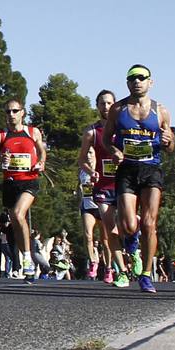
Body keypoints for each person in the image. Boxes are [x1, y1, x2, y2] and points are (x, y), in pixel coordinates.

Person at [107, 64, 175, 293]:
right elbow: (106, 140)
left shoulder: (161, 110)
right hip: (126, 170)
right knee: (128, 224)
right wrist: (114, 151)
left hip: (151, 169)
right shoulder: (118, 110)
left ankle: (146, 275)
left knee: (149, 223)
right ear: (127, 83)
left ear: (150, 82)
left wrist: (168, 141)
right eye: (132, 78)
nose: (137, 81)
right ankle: (132, 241)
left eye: (141, 78)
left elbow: (171, 145)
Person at [0, 99, 47, 281]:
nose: (11, 115)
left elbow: (42, 151)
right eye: (8, 112)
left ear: (23, 112)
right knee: (15, 222)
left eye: (15, 111)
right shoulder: (0, 136)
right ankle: (27, 256)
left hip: (29, 181)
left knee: (18, 214)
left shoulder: (32, 132)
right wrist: (0, 159)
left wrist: (41, 163)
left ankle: (28, 259)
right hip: (10, 183)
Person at [78, 89, 119, 281]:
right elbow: (81, 160)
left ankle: (110, 267)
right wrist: (89, 174)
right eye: (102, 103)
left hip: (114, 191)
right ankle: (94, 262)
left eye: (109, 103)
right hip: (91, 201)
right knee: (88, 234)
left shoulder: (121, 129)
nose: (105, 107)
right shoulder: (92, 132)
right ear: (97, 106)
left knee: (107, 236)